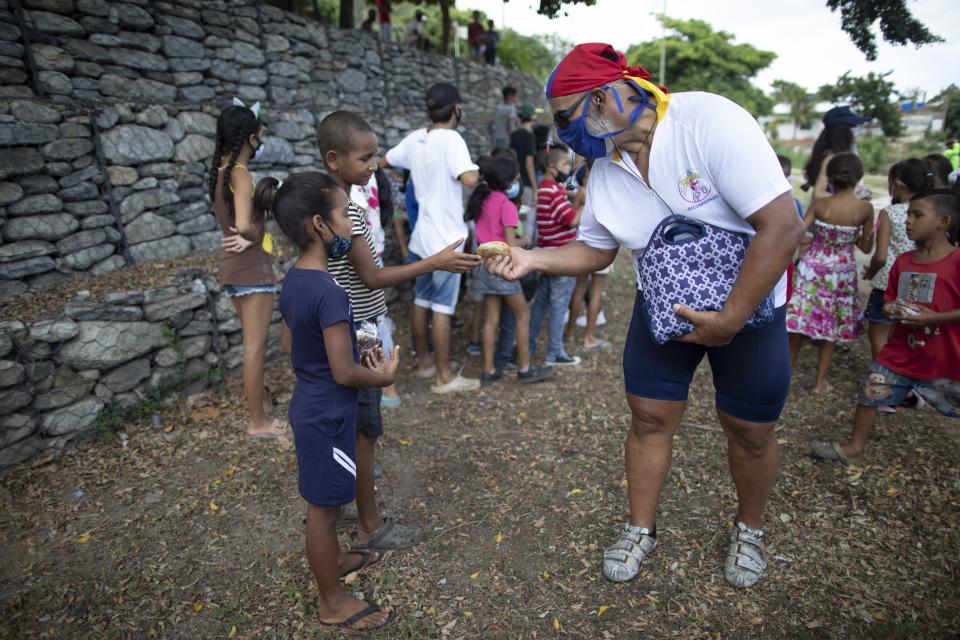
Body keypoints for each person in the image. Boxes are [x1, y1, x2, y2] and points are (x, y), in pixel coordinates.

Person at [483, 43, 803, 588]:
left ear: (604, 99)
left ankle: (749, 529)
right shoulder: (604, 167)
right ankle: (640, 528)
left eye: (565, 118)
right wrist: (531, 257)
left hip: (748, 313)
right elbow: (597, 251)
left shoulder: (709, 121)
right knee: (650, 417)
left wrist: (730, 317)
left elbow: (783, 226)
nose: (562, 134)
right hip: (665, 311)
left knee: (750, 429)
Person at [317, 111, 480, 549]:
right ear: (334, 159)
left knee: (352, 424)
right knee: (366, 431)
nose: (375, 166)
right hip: (363, 327)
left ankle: (346, 500)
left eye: (375, 157)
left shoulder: (328, 204)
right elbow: (371, 277)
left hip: (354, 323)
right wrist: (434, 262)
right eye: (365, 158)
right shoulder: (342, 210)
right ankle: (371, 527)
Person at [259, 172, 399, 632]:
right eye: (343, 216)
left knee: (326, 504)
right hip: (328, 414)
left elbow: (301, 347)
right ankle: (332, 601)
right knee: (324, 512)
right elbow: (343, 372)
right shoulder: (330, 291)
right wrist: (382, 376)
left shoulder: (297, 280)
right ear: (320, 225)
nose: (351, 225)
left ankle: (335, 560)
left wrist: (357, 356)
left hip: (311, 404)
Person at [811, 190, 960, 464]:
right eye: (908, 214)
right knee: (871, 390)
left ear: (944, 222)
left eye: (917, 215)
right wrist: (891, 307)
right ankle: (854, 448)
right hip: (901, 353)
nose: (908, 221)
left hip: (947, 359)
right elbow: (891, 299)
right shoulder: (904, 262)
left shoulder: (957, 261)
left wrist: (932, 318)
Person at [383, 83, 483, 393]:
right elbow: (469, 179)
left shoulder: (416, 138)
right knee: (442, 306)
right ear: (456, 109)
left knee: (421, 300)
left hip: (421, 238)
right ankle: (443, 376)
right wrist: (476, 172)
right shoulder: (452, 139)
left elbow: (385, 161)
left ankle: (424, 362)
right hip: (447, 241)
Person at [209, 102, 287, 440]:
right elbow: (243, 225)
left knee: (249, 344)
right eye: (260, 136)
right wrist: (255, 232)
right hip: (251, 270)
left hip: (233, 269)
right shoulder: (240, 174)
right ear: (251, 137)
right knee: (254, 347)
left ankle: (260, 403)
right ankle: (257, 422)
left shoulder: (221, 171)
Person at [787, 153, 873, 393]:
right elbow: (866, 247)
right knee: (830, 328)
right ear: (858, 178)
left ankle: (786, 374)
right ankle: (820, 382)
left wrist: (816, 238)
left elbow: (798, 233)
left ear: (831, 178)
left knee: (798, 323)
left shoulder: (820, 204)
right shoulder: (864, 208)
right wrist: (851, 236)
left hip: (812, 267)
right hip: (841, 272)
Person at [466, 156, 554, 384]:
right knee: (523, 314)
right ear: (507, 181)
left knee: (491, 319)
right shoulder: (506, 205)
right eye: (515, 177)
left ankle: (488, 370)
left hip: (484, 266)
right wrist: (524, 240)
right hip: (503, 266)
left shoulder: (484, 199)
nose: (517, 180)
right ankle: (524, 368)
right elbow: (508, 244)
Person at [863, 159, 932, 360]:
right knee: (907, 334)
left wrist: (870, 272)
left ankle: (883, 381)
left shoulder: (891, 213)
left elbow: (881, 257)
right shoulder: (932, 212)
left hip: (888, 284)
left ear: (899, 184)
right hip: (919, 282)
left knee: (879, 335)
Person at [528, 143, 585, 364]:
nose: (566, 168)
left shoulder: (543, 188)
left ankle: (529, 346)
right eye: (563, 164)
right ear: (552, 166)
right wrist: (583, 202)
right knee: (559, 306)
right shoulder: (553, 192)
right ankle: (554, 353)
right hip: (561, 258)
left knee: (541, 304)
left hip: (546, 255)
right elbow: (572, 220)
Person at [563, 161, 610, 352]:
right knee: (596, 292)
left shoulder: (582, 191)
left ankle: (570, 333)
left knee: (579, 289)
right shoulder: (607, 189)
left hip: (581, 243)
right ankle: (588, 337)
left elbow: (572, 217)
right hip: (603, 244)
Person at [803, 105, 869, 201]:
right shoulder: (831, 157)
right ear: (841, 130)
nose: (856, 129)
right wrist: (852, 197)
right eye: (853, 126)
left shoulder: (844, 153)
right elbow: (818, 193)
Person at [510, 104, 539, 211]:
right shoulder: (529, 136)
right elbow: (529, 163)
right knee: (527, 220)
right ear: (532, 116)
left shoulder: (514, 135)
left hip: (516, 181)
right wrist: (535, 188)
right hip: (526, 183)